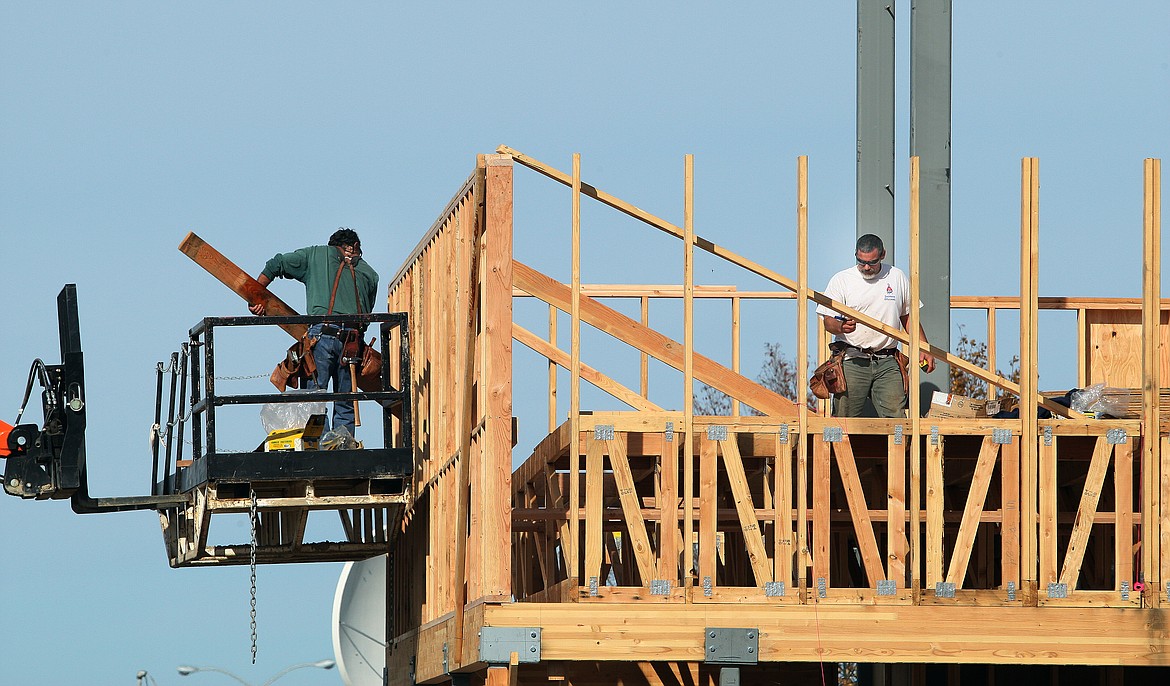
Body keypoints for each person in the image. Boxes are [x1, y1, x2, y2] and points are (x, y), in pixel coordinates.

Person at [250, 228, 379, 437]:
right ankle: (342, 445)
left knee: (314, 397)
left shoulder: (315, 255)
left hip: (322, 336)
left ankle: (320, 445)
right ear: (355, 247)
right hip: (352, 343)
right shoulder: (370, 274)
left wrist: (255, 296)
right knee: (345, 401)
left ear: (332, 246)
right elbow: (366, 316)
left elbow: (277, 263)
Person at [816, 234, 935, 418]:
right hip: (852, 359)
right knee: (844, 420)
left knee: (896, 420)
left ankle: (900, 447)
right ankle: (838, 448)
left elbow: (908, 317)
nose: (865, 267)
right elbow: (828, 321)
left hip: (887, 360)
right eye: (861, 261)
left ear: (882, 255)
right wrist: (841, 327)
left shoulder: (896, 277)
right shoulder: (842, 280)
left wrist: (923, 347)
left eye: (871, 262)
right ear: (856, 254)